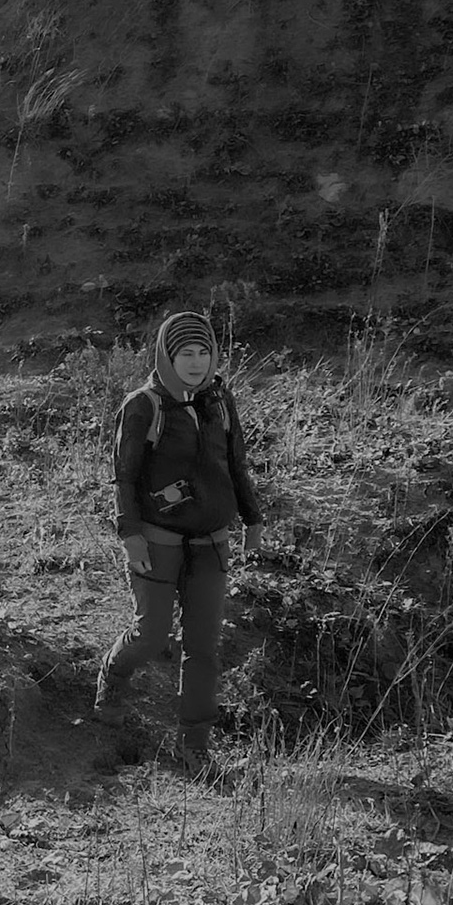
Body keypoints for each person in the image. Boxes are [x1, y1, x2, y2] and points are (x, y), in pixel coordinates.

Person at [94, 310, 265, 773]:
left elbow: (236, 464)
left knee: (203, 646)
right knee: (151, 635)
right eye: (185, 353)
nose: (195, 361)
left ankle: (194, 751)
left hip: (211, 542)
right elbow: (124, 478)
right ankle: (115, 672)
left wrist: (252, 518)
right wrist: (129, 534)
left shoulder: (220, 402)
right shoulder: (142, 406)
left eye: (203, 352)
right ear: (167, 356)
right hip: (157, 538)